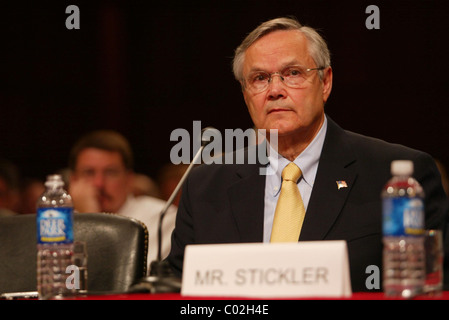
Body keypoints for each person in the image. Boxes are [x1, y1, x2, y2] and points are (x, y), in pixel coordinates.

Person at [167, 17, 449, 292]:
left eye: (292, 73)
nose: (275, 90)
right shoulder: (206, 185)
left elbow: (435, 284)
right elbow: (174, 286)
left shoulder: (395, 174)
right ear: (245, 94)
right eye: (259, 78)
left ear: (325, 82)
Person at [68, 130, 177, 270]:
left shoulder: (162, 217)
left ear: (129, 179)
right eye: (89, 172)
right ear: (73, 180)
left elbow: (125, 280)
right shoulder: (60, 224)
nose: (99, 183)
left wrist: (90, 219)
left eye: (110, 172)